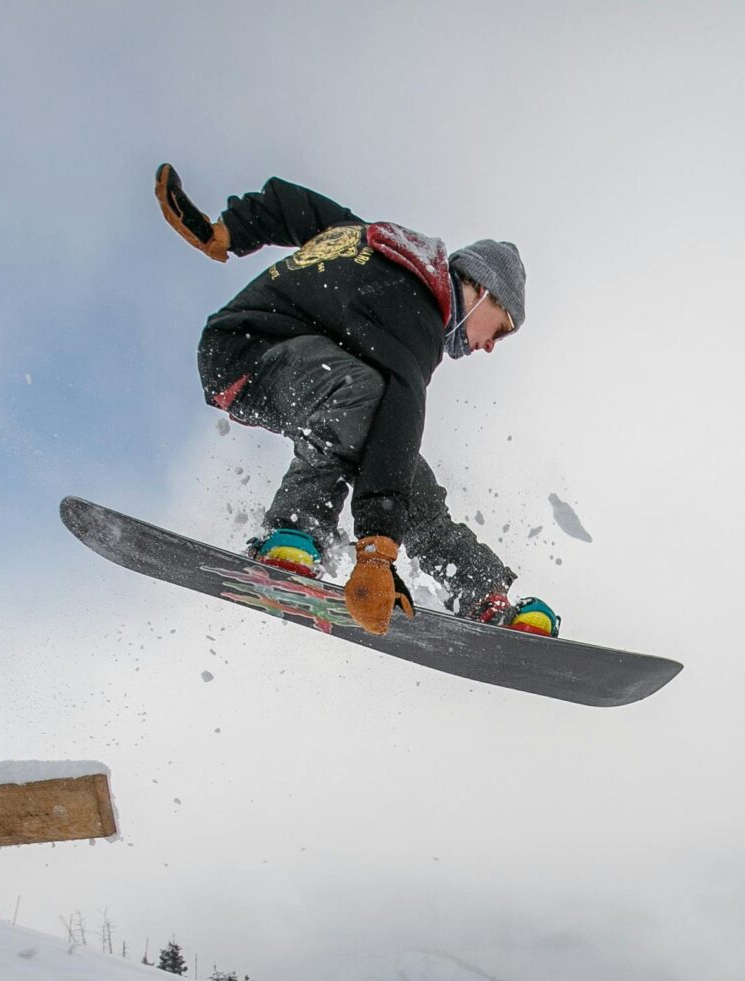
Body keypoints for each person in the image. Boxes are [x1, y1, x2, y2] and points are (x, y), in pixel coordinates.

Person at [156, 166, 557, 639]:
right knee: (368, 397)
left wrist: (228, 230)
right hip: (246, 351)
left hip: (293, 362)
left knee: (401, 468)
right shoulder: (419, 314)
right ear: (483, 290)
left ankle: (482, 595)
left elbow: (296, 208)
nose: (491, 345)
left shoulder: (379, 249)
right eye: (502, 328)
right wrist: (376, 553)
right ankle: (295, 532)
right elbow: (403, 409)